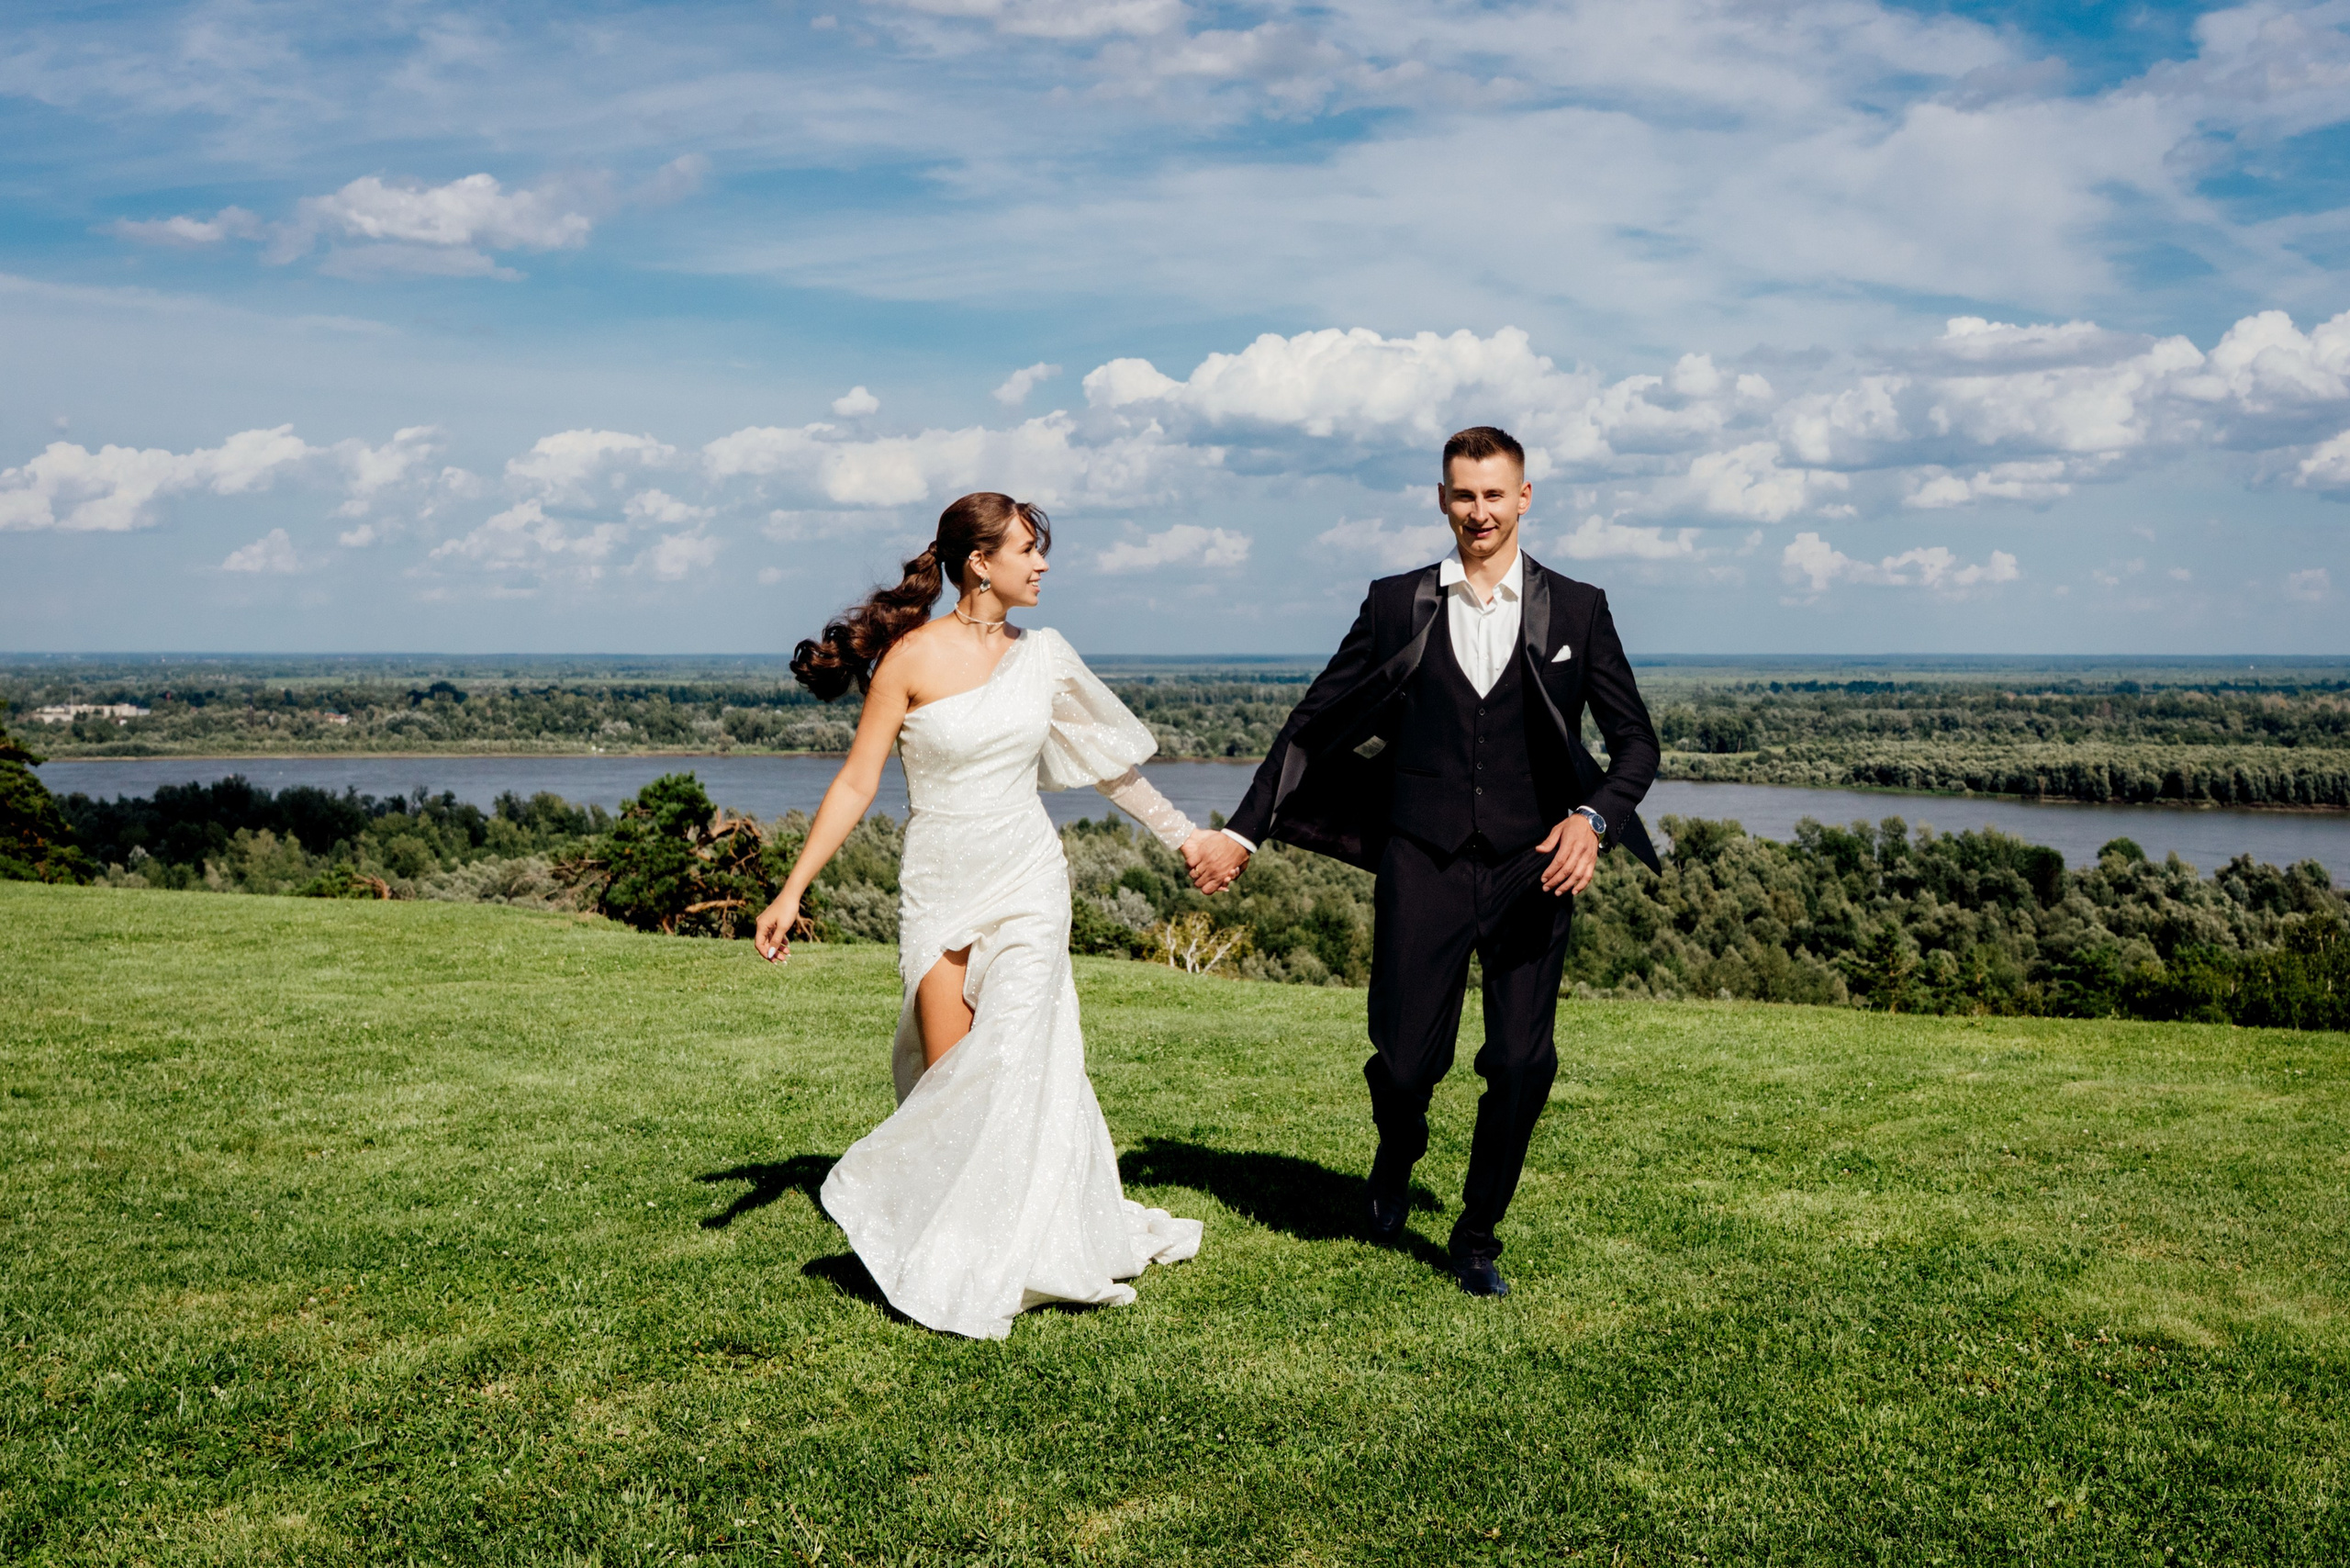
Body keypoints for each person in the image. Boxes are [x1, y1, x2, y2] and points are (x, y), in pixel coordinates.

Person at [1186, 426, 1662, 1298]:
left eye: (1493, 494)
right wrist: (1243, 835)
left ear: (1525, 498)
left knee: (1521, 1063)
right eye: (1461, 494)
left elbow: (1636, 743)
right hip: (1422, 864)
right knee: (1406, 1063)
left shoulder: (1580, 608)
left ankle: (1477, 1234)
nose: (1477, 512)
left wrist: (1593, 819)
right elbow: (1312, 725)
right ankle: (1396, 1152)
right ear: (1441, 499)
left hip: (1534, 866)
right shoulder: (1397, 602)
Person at [754, 492, 1213, 1340]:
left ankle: (1027, 1246)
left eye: (1042, 552)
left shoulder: (1047, 656)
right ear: (979, 563)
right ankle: (954, 1236)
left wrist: (1186, 837)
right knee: (948, 1079)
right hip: (939, 882)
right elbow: (857, 783)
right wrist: (792, 891)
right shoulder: (909, 661)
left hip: (1030, 879)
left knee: (1015, 1053)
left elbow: (1113, 768)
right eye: (1028, 551)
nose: (1042, 566)